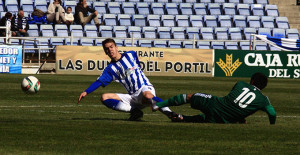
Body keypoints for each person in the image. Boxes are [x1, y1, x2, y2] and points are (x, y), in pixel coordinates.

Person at [78, 38, 174, 121]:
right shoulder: (110, 69)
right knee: (104, 97)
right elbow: (99, 82)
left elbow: (138, 66)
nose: (109, 50)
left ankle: (171, 114)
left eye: (111, 47)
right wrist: (86, 92)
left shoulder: (131, 55)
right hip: (133, 97)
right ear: (105, 52)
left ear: (116, 47)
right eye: (106, 49)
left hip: (144, 89)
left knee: (148, 95)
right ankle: (135, 112)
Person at [154, 72, 276, 124]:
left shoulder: (241, 84)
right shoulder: (264, 99)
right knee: (209, 118)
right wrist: (272, 125)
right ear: (263, 86)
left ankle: (158, 105)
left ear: (252, 80)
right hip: (228, 119)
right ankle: (182, 118)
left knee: (191, 97)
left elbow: (234, 100)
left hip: (216, 104)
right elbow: (272, 114)